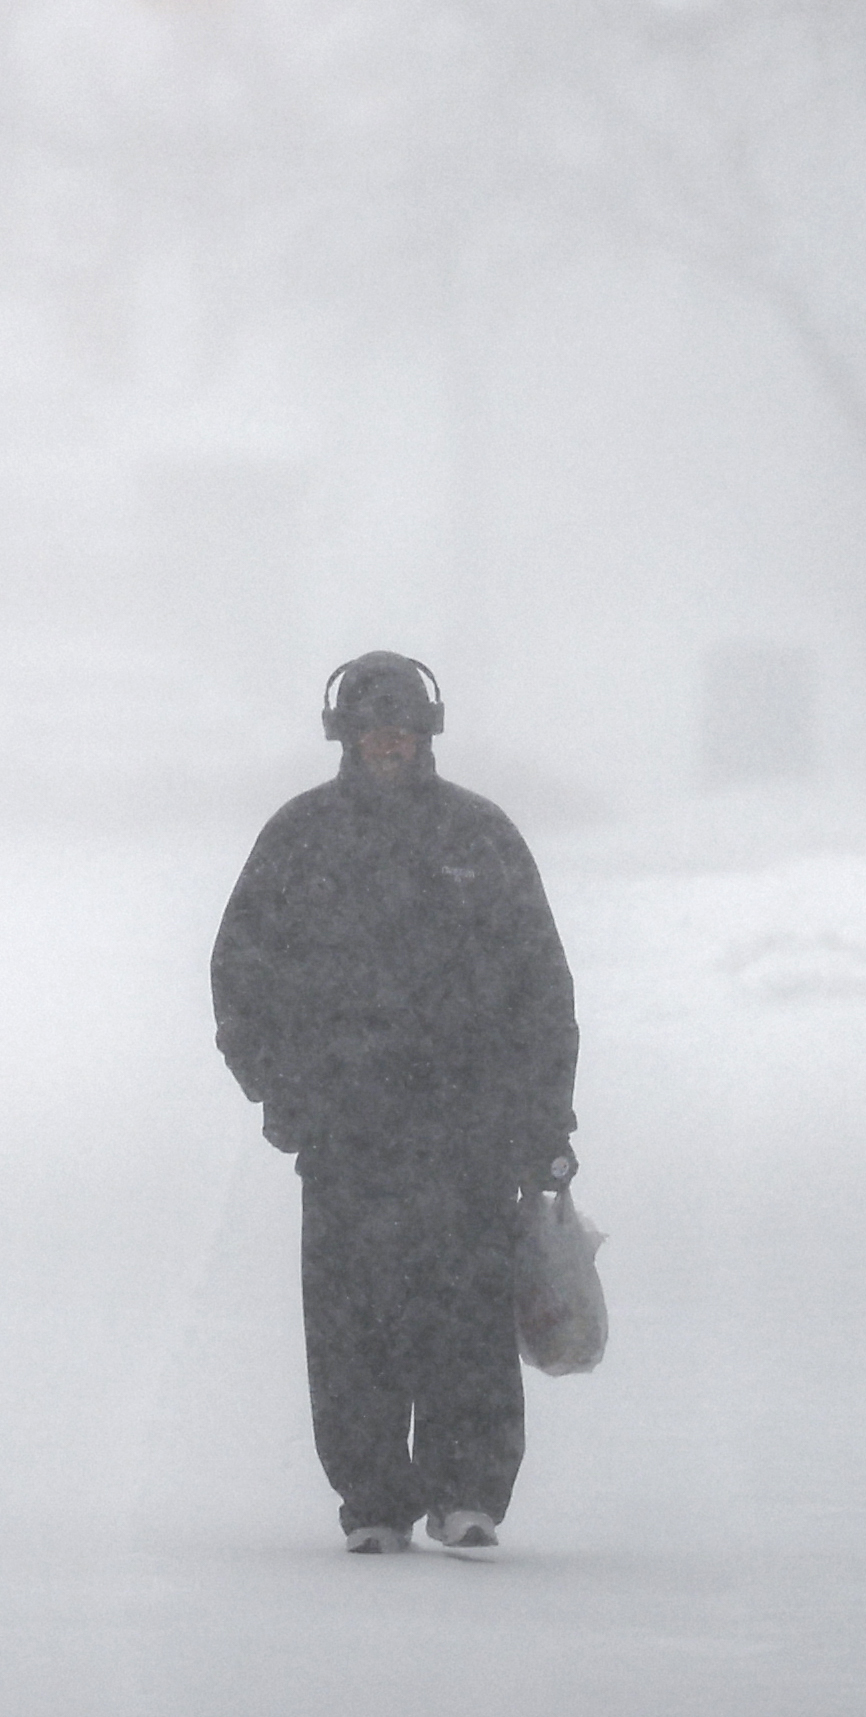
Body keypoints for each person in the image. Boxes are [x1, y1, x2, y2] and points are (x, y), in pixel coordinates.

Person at [209, 651, 579, 1557]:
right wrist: (280, 1088)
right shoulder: (298, 839)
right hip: (347, 1133)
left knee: (467, 1321)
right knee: (352, 1324)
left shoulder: (481, 838)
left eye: (404, 730)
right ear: (344, 734)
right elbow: (239, 974)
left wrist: (544, 1121)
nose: (389, 744)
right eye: (374, 729)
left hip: (469, 1132)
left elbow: (541, 986)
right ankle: (372, 1497)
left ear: (428, 735)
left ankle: (467, 1493)